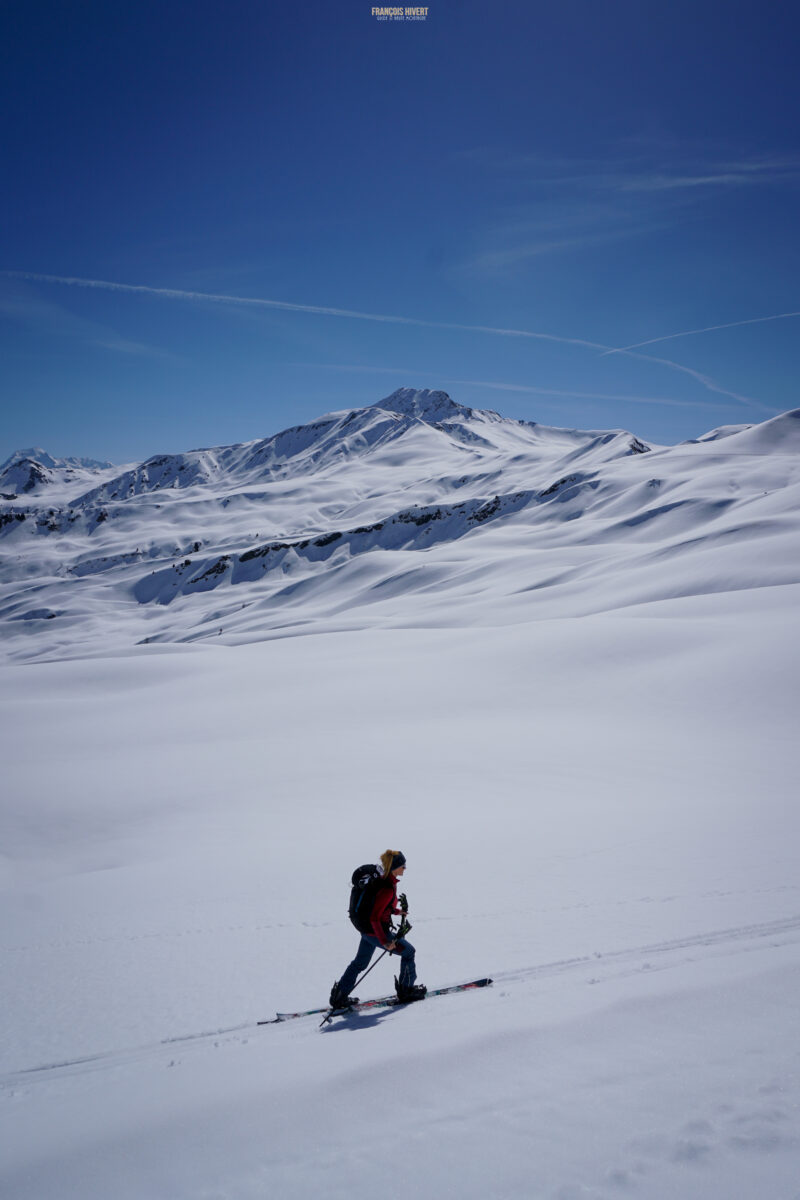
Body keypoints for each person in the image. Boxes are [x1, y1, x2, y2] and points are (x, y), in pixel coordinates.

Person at [330, 849, 426, 1009]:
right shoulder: (387, 888)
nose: (405, 869)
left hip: (366, 930)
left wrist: (396, 911)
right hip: (376, 932)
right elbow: (375, 916)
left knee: (360, 963)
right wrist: (385, 941)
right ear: (395, 867)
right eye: (403, 866)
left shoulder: (384, 882)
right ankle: (406, 990)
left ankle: (339, 996)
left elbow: (380, 908)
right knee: (409, 952)